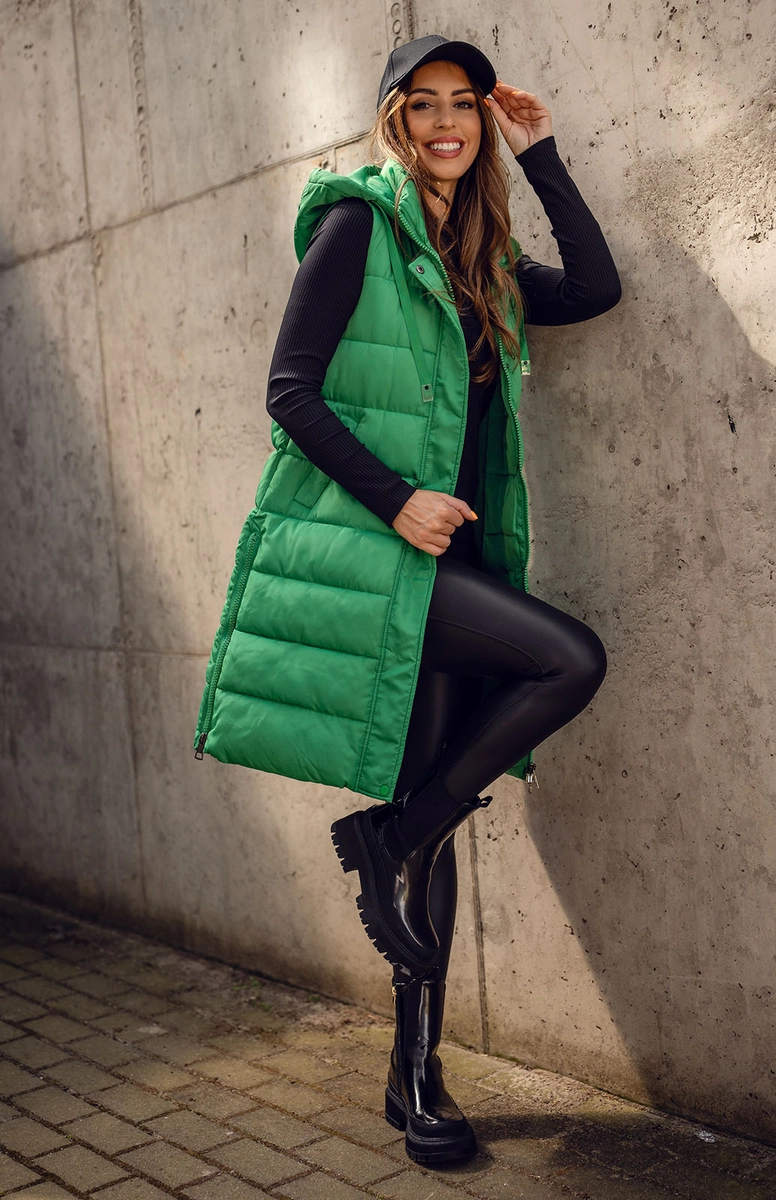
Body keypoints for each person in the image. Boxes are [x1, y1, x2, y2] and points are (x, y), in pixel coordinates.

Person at [195, 34, 620, 1167]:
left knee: (426, 823)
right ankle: (396, 835)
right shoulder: (357, 226)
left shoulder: (479, 257)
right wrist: (397, 502)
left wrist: (540, 153)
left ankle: (413, 1075)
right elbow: (290, 391)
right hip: (392, 558)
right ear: (393, 121)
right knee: (569, 660)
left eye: (463, 105)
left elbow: (595, 289)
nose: (446, 123)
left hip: (455, 563)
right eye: (423, 104)